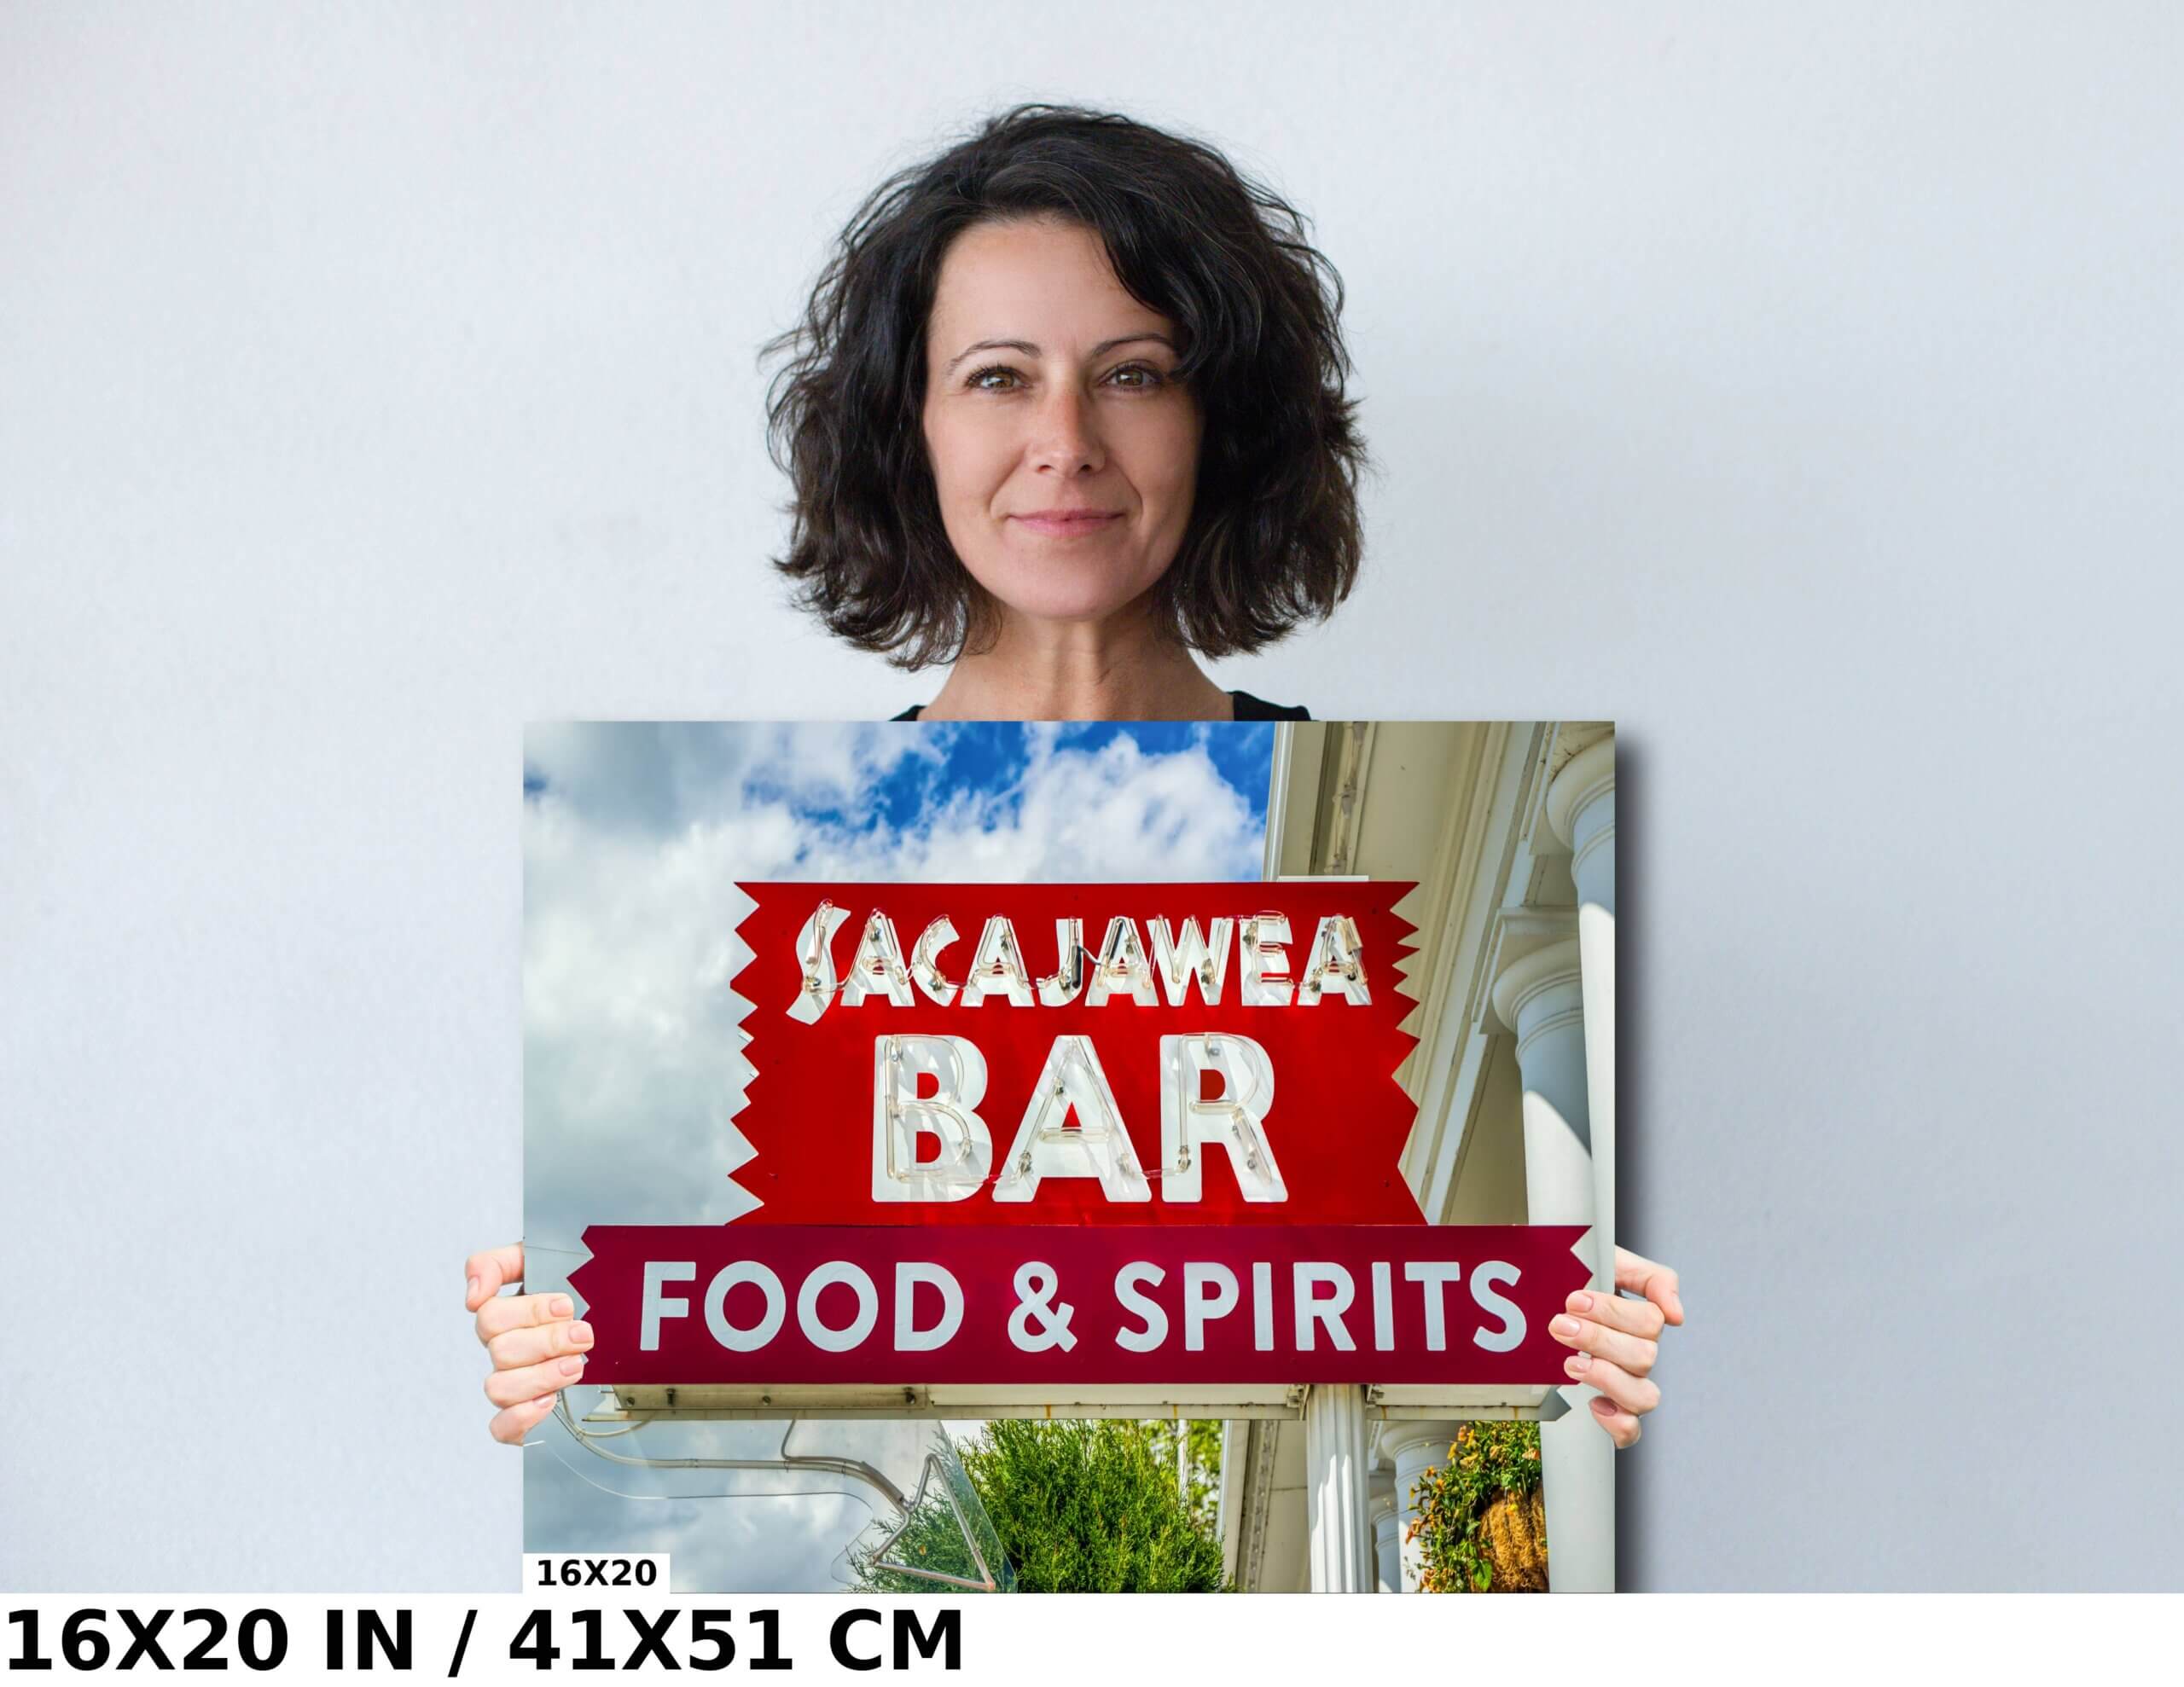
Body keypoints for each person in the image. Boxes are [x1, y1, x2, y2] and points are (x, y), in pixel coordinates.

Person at [470, 105, 1682, 1456]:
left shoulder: (1377, 830)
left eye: (1134, 372)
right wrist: (554, 1348)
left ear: (1218, 422)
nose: (1067, 440)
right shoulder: (765, 881)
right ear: (909, 426)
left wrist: (1604, 1354)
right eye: (997, 376)